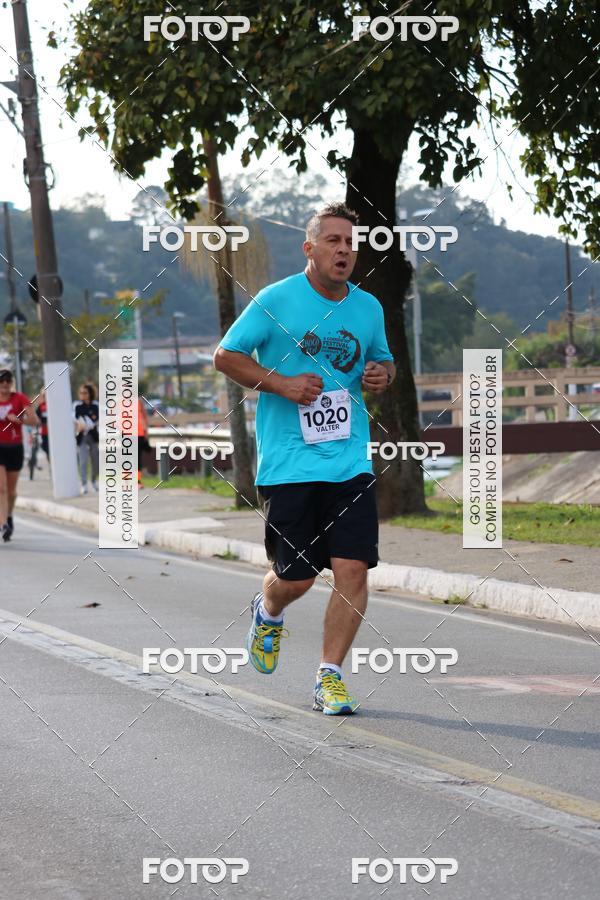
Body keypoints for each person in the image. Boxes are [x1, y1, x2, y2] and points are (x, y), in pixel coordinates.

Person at [214, 202, 395, 715]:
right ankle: (268, 610)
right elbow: (226, 355)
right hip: (290, 464)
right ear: (309, 248)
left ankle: (329, 676)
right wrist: (282, 384)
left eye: (350, 243)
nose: (344, 250)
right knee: (296, 577)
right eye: (333, 241)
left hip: (349, 464)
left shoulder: (368, 308)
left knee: (352, 571)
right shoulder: (275, 301)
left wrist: (383, 374)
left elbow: (382, 361)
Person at [0, 368, 39, 541]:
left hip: (15, 448)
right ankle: (3, 524)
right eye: (1, 381)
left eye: (8, 380)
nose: (5, 384)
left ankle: (8, 516)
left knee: (12, 491)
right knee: (1, 488)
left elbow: (35, 420)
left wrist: (19, 419)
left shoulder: (19, 398)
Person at [73, 383, 99, 494]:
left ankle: (93, 481)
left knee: (96, 461)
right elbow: (73, 418)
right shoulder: (77, 406)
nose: (82, 395)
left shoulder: (95, 406)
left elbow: (99, 419)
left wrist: (92, 424)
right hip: (81, 436)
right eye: (81, 393)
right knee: (83, 460)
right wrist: (79, 424)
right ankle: (84, 484)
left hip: (93, 436)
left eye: (84, 393)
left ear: (90, 394)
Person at [36, 390, 50, 463]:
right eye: (44, 395)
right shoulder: (41, 406)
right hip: (44, 432)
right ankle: (50, 463)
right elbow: (36, 418)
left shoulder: (54, 406)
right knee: (46, 448)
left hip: (54, 433)